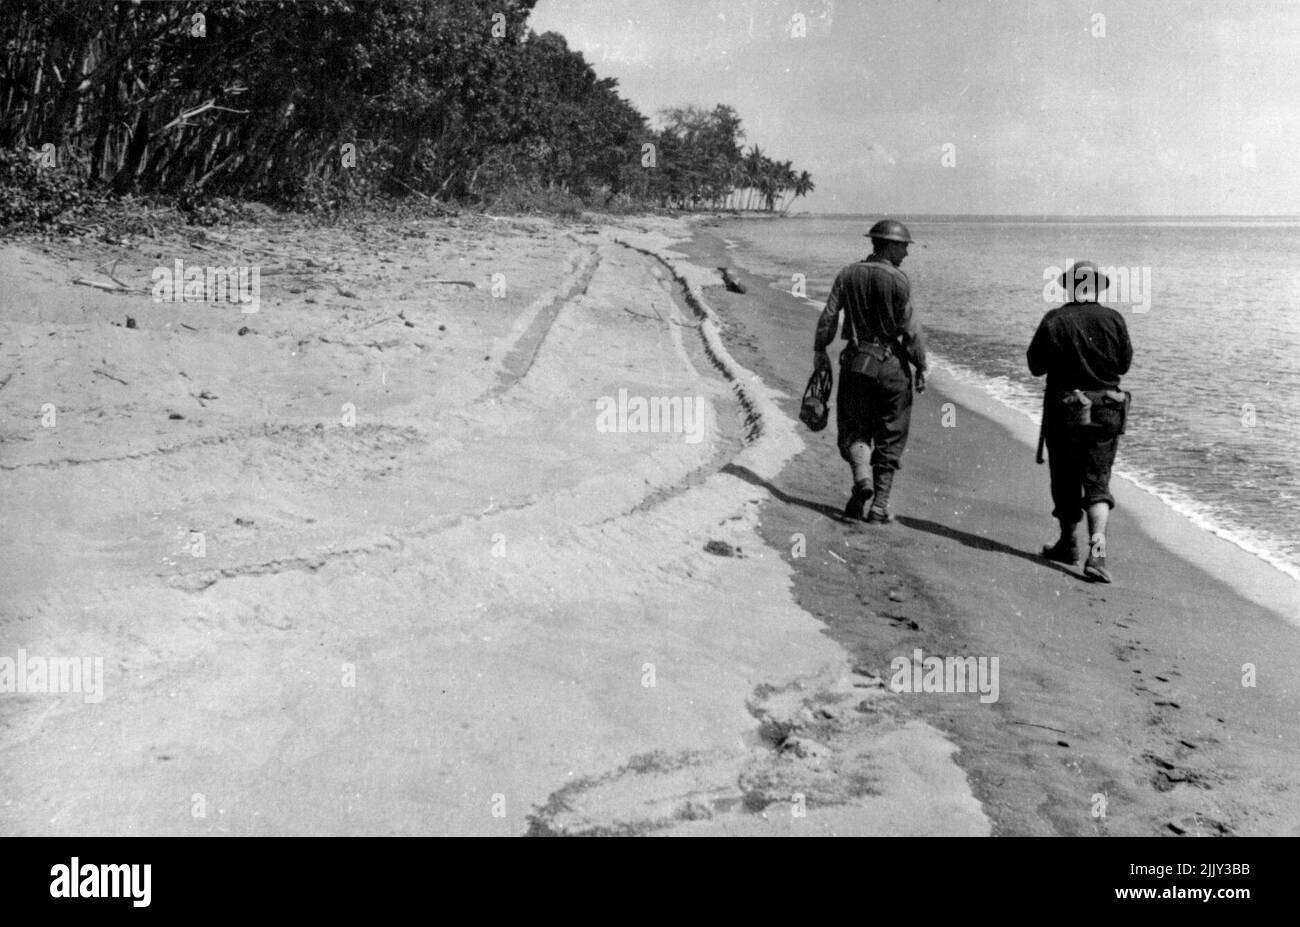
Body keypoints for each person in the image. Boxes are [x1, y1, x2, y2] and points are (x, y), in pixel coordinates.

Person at [813, 219, 928, 524]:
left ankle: (862, 479)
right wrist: (922, 366)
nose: (906, 253)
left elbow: (828, 318)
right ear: (889, 245)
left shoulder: (847, 273)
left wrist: (819, 351)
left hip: (856, 363)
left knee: (855, 427)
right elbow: (912, 332)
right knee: (891, 434)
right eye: (903, 246)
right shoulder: (900, 281)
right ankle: (879, 506)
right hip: (891, 366)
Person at [1028, 261, 1134, 582]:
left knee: (1065, 480)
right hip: (1106, 410)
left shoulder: (1055, 320)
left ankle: (1067, 543)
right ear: (1098, 288)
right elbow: (1124, 364)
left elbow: (1036, 366)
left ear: (1070, 287)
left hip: (1066, 409)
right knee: (1098, 485)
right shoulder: (1114, 319)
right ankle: (1097, 557)